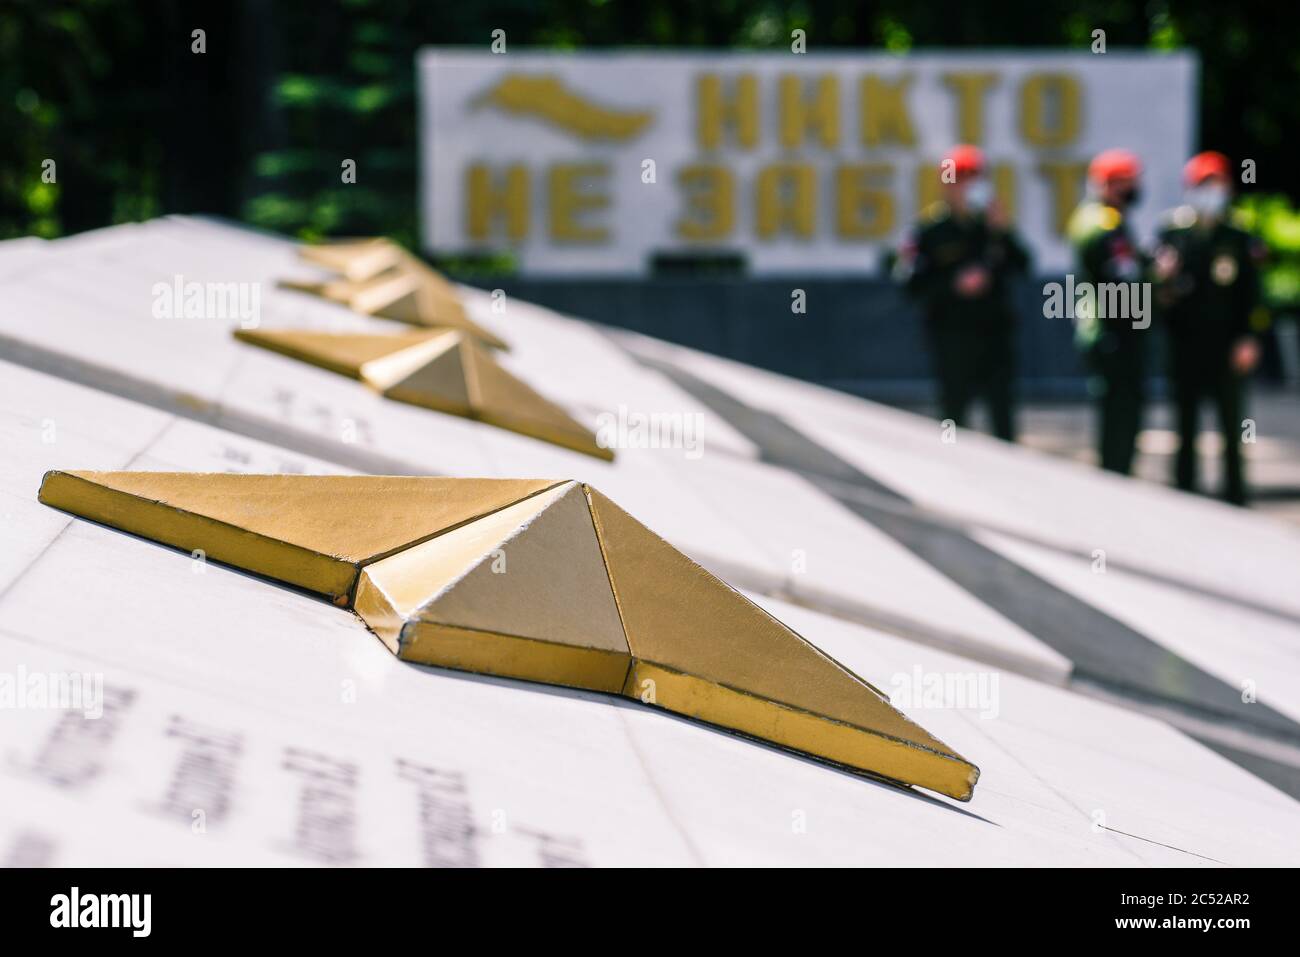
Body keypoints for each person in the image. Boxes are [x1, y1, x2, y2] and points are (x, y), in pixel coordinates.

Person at [895, 145, 1030, 441]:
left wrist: (1004, 231)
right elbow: (910, 284)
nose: (967, 186)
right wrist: (953, 285)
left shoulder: (991, 226)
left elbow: (1024, 266)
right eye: (960, 178)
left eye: (974, 178)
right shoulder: (929, 230)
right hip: (952, 336)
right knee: (954, 414)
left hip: (995, 335)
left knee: (1002, 414)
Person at [1152, 151, 1265, 505]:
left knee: (1233, 428)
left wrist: (1250, 337)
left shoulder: (1239, 234)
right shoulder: (1173, 231)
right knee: (1185, 426)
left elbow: (1254, 293)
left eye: (1216, 184)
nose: (1211, 192)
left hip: (1227, 345)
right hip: (1184, 344)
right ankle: (1185, 495)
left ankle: (1235, 497)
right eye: (1204, 185)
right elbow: (1159, 292)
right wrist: (1161, 280)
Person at [1068, 149, 1147, 474]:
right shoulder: (1101, 223)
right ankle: (1114, 478)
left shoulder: (1112, 220)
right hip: (1109, 330)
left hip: (1118, 329)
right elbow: (1124, 274)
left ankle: (1118, 473)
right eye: (1122, 183)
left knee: (1125, 411)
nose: (1130, 190)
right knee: (1117, 412)